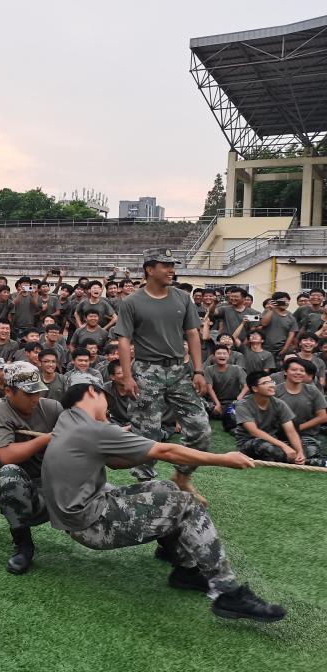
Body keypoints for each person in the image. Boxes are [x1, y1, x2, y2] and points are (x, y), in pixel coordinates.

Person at [42, 371, 285, 623]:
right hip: (90, 525)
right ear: (93, 391)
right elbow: (166, 450)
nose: (108, 405)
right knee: (187, 504)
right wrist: (223, 459)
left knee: (166, 488)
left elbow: (114, 462)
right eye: (105, 397)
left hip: (80, 514)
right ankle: (228, 592)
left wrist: (138, 446)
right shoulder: (92, 429)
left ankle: (186, 569)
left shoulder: (67, 420)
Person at [112, 248, 211, 504]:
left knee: (201, 428)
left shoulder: (182, 298)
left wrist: (198, 370)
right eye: (165, 265)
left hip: (179, 370)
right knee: (146, 433)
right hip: (146, 370)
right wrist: (127, 376)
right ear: (149, 269)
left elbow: (192, 334)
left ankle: (182, 476)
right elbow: (124, 340)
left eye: (172, 265)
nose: (171, 270)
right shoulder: (132, 302)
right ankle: (146, 488)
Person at [0, 361, 63, 574]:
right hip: (25, 485)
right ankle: (23, 544)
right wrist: (46, 439)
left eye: (38, 392)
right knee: (7, 477)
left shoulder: (52, 408)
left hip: (57, 480)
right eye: (29, 394)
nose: (35, 399)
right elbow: (6, 455)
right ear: (8, 391)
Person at [235, 370, 324, 466]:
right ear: (255, 388)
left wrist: (299, 452)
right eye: (265, 383)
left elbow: (291, 431)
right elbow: (254, 432)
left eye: (271, 382)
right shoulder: (243, 405)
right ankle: (309, 462)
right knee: (263, 445)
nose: (271, 385)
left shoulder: (279, 404)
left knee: (308, 447)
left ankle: (303, 459)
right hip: (250, 443)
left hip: (274, 441)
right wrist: (284, 447)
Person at [275, 358, 327, 463]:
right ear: (285, 372)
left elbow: (323, 417)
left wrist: (298, 428)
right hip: (279, 437)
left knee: (311, 457)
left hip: (306, 436)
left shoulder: (312, 391)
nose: (298, 373)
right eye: (294, 370)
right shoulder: (275, 391)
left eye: (302, 370)